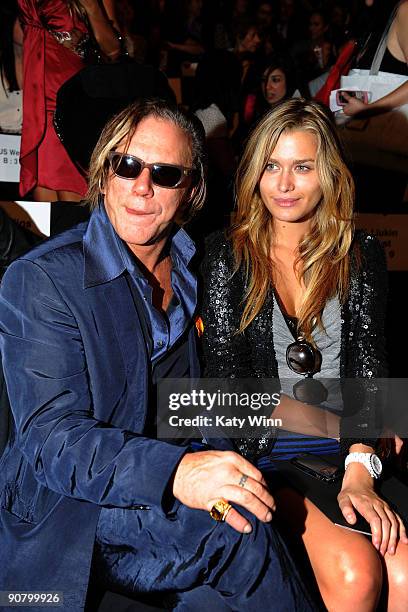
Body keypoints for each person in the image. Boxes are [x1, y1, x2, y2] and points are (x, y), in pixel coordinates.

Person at [0, 99, 314, 611]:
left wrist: (362, 416)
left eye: (165, 174)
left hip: (168, 492)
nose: (142, 186)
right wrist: (179, 473)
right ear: (104, 173)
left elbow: (199, 400)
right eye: (127, 165)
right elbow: (53, 444)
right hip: (77, 509)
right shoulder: (45, 281)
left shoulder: (198, 268)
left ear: (190, 190)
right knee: (236, 530)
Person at [200, 97, 408, 611]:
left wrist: (363, 464)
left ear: (328, 174)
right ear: (253, 172)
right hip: (270, 448)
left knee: (405, 570)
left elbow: (368, 362)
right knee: (355, 573)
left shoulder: (361, 252)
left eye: (302, 167)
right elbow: (235, 393)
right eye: (271, 165)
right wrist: (357, 428)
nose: (284, 184)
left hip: (353, 448)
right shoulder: (227, 253)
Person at [17, 0, 122, 202]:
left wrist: (92, 8)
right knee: (45, 190)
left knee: (73, 185)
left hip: (75, 99)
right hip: (39, 99)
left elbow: (114, 50)